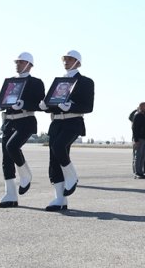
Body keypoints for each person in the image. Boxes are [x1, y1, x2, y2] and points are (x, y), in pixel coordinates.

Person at [38, 50, 94, 211]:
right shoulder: (59, 82)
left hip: (73, 122)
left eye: (70, 59)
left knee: (59, 147)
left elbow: (88, 106)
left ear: (78, 62)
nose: (66, 61)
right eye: (65, 59)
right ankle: (60, 199)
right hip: (56, 123)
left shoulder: (86, 82)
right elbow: (52, 104)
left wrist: (71, 106)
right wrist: (45, 106)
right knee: (53, 161)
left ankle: (72, 176)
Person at [0, 52, 45, 208]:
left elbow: (41, 104)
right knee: (6, 160)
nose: (18, 65)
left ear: (29, 64)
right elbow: (4, 99)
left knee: (12, 146)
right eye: (17, 62)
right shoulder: (9, 82)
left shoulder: (36, 82)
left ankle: (26, 175)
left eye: (21, 62)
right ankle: (10, 195)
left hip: (26, 120)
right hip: (8, 122)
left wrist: (24, 104)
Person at [132, 102, 145, 179]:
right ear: (141, 107)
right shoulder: (138, 116)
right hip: (139, 139)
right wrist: (136, 140)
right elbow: (135, 128)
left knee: (143, 156)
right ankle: (137, 172)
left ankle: (141, 171)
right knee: (138, 156)